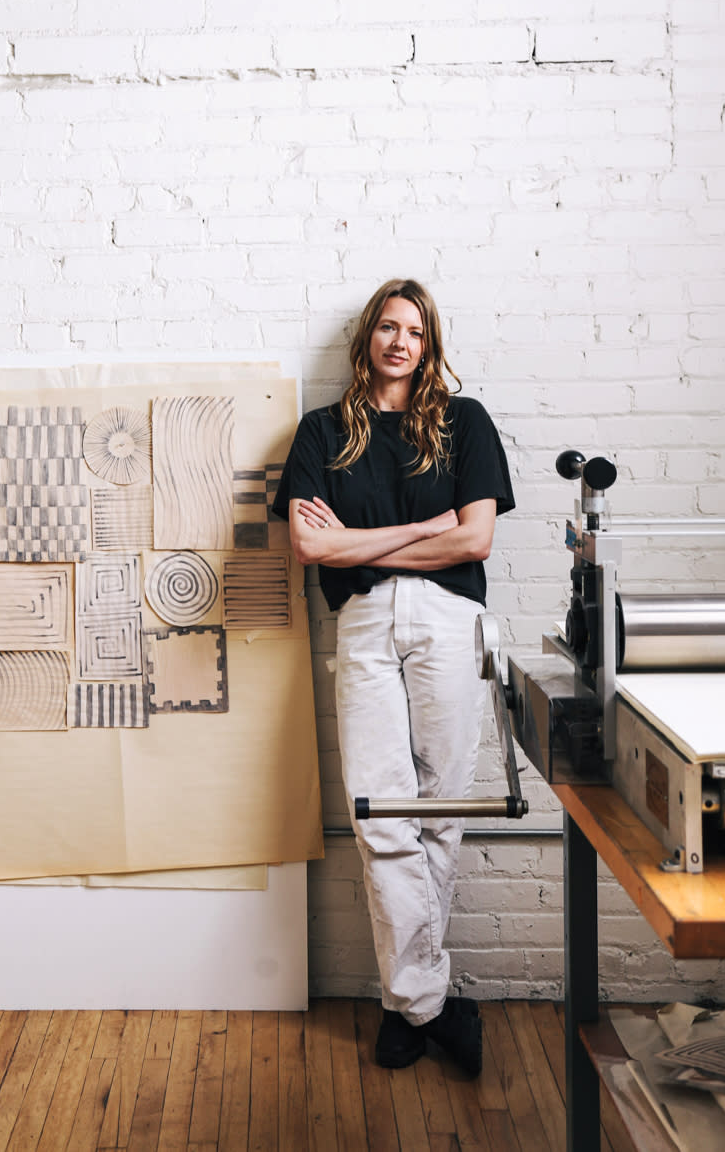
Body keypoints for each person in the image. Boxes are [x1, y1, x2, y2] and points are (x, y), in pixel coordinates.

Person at [272, 278, 514, 1074]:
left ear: (429, 343)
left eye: (414, 330)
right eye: (387, 326)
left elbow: (474, 540)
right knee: (382, 811)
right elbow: (311, 550)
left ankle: (410, 1007)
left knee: (440, 808)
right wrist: (424, 527)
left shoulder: (462, 422)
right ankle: (431, 1004)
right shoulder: (320, 432)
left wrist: (363, 540)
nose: (400, 341)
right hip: (366, 622)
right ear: (367, 339)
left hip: (449, 621)